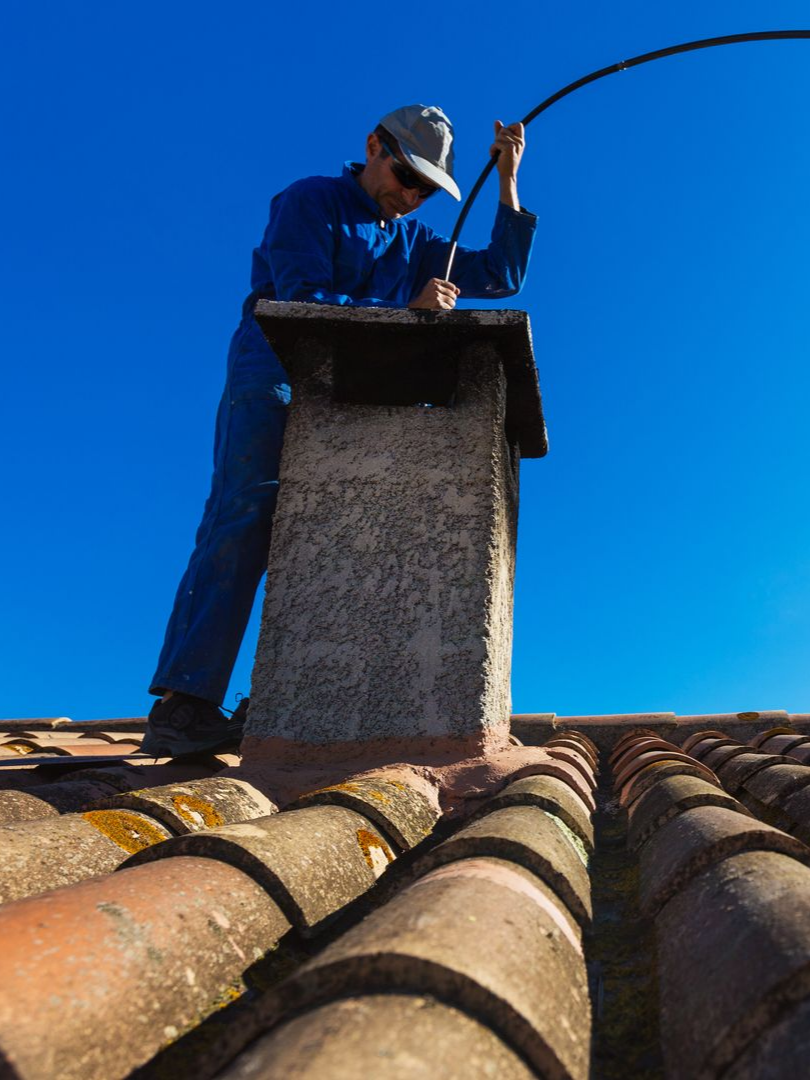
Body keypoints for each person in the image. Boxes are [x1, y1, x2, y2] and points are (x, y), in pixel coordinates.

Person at [143, 104, 536, 757]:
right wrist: (405, 308)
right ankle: (184, 706)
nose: (410, 196)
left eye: (424, 188)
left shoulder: (415, 242)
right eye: (405, 176)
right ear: (373, 146)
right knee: (246, 513)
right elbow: (299, 298)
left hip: (344, 400)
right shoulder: (309, 202)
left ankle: (291, 701)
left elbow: (500, 274)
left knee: (337, 530)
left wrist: (508, 182)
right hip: (270, 376)